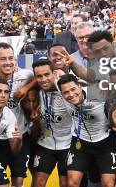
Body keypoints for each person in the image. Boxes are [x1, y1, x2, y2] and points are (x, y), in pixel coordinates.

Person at [0, 42, 35, 187]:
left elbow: (39, 77)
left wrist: (26, 87)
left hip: (19, 135)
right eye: (3, 59)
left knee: (18, 180)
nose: (8, 62)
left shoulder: (26, 75)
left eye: (11, 58)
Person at [57, 74, 116, 187]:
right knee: (72, 183)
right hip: (80, 143)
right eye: (66, 92)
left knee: (108, 184)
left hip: (104, 142)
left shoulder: (98, 95)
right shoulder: (63, 94)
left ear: (80, 86)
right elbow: (54, 76)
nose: (70, 94)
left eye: (73, 89)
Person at [29, 59, 73, 187]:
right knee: (37, 183)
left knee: (65, 184)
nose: (43, 79)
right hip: (45, 145)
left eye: (47, 74)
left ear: (54, 73)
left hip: (68, 144)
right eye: (39, 76)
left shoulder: (66, 91)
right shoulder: (37, 92)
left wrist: (59, 81)